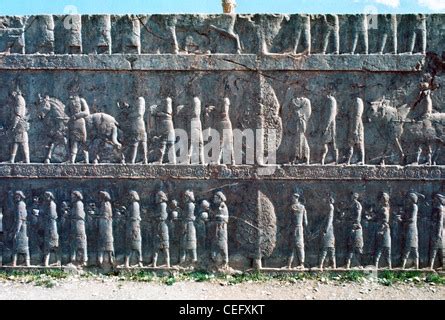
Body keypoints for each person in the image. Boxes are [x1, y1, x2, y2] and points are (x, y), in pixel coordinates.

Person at [401, 191, 423, 269]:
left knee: (410, 247)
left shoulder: (414, 206)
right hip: (409, 228)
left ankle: (405, 267)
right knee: (410, 247)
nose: (407, 200)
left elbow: (412, 219)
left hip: (411, 228)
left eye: (408, 198)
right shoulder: (410, 207)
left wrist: (403, 220)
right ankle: (407, 266)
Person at [287, 191, 308, 269]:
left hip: (294, 229)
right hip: (300, 229)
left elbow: (289, 220)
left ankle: (290, 265)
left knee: (292, 247)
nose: (292, 199)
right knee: (300, 246)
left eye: (293, 198)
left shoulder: (292, 207)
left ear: (296, 198)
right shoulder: (303, 207)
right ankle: (300, 264)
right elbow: (305, 222)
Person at [67, 95, 90, 163]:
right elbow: (65, 111)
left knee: (83, 141)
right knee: (73, 142)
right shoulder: (69, 101)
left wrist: (77, 115)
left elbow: (87, 112)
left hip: (80, 123)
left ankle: (86, 160)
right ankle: (72, 161)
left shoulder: (81, 100)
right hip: (72, 123)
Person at [9, 88, 30, 164]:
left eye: (12, 92)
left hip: (19, 125)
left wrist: (14, 125)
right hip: (21, 124)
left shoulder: (18, 99)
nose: (11, 94)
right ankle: (26, 159)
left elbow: (18, 114)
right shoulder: (20, 99)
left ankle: (12, 159)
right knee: (22, 142)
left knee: (17, 141)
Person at [210, 191, 229, 269]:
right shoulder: (219, 207)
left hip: (221, 229)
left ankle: (225, 260)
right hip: (218, 228)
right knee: (216, 244)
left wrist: (216, 216)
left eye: (215, 198)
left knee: (222, 245)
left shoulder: (223, 207)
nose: (214, 199)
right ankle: (216, 261)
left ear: (220, 198)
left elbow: (224, 219)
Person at [125, 191, 143, 268]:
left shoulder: (135, 204)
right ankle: (128, 262)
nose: (129, 198)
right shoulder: (132, 205)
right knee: (131, 245)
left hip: (134, 227)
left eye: (130, 196)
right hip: (133, 227)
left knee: (135, 245)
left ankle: (137, 262)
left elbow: (134, 217)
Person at [12, 191, 30, 267]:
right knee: (23, 247)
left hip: (21, 227)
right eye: (15, 195)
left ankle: (14, 263)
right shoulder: (21, 204)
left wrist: (16, 231)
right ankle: (26, 263)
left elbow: (19, 219)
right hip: (22, 226)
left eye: (18, 196)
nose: (16, 197)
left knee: (17, 246)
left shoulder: (20, 205)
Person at [346, 192, 363, 269]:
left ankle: (357, 264)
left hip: (356, 226)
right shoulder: (352, 204)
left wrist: (356, 223)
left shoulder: (357, 204)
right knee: (351, 246)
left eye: (354, 196)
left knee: (357, 247)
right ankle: (348, 264)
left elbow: (358, 215)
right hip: (352, 226)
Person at [152, 191, 170, 267]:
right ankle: (154, 263)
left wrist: (154, 216)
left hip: (162, 227)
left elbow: (162, 216)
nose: (156, 198)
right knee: (156, 247)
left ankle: (167, 264)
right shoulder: (160, 205)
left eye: (157, 197)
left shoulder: (163, 205)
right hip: (159, 226)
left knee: (165, 246)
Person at [374, 192, 392, 269]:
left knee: (386, 248)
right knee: (380, 248)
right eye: (382, 199)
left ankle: (389, 266)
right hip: (382, 228)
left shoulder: (385, 208)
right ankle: (377, 265)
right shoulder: (382, 208)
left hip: (384, 228)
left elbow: (385, 218)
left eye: (384, 199)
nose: (382, 200)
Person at [42, 191, 60, 267]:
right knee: (49, 246)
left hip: (51, 227)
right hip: (49, 226)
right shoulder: (48, 204)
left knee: (53, 246)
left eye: (47, 196)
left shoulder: (52, 204)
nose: (45, 198)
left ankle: (57, 261)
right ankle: (46, 262)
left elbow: (52, 216)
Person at [70, 191, 88, 266]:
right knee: (75, 241)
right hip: (76, 224)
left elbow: (79, 215)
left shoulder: (78, 204)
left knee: (80, 242)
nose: (72, 198)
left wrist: (72, 216)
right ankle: (76, 259)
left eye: (73, 196)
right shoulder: (75, 204)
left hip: (79, 224)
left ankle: (82, 259)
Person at [97, 191, 115, 267]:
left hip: (106, 224)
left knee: (108, 240)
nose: (100, 198)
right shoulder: (103, 204)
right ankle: (101, 258)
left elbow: (107, 215)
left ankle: (110, 257)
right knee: (103, 240)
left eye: (101, 196)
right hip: (103, 224)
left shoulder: (107, 204)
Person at [319, 195, 336, 270]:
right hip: (328, 229)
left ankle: (321, 265)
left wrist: (325, 230)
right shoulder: (330, 207)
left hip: (328, 230)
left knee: (326, 248)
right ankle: (332, 265)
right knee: (329, 248)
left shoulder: (330, 207)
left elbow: (329, 219)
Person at [180, 190, 197, 265]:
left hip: (189, 226)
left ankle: (193, 260)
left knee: (190, 244)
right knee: (185, 244)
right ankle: (185, 260)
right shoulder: (189, 205)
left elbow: (188, 217)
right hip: (188, 225)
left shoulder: (190, 205)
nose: (184, 198)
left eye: (186, 196)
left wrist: (184, 225)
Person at [347, 98, 365, 165]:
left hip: (357, 127)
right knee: (351, 143)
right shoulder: (354, 101)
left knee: (359, 143)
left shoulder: (358, 101)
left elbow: (357, 115)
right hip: (353, 125)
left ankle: (362, 160)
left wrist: (355, 129)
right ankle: (348, 160)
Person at [429, 193, 444, 270]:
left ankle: (431, 266)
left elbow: (440, 221)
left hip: (438, 231)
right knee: (437, 248)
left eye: (435, 199)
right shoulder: (436, 208)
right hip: (436, 230)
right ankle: (432, 265)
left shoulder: (440, 208)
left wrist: (438, 233)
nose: (433, 200)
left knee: (436, 248)